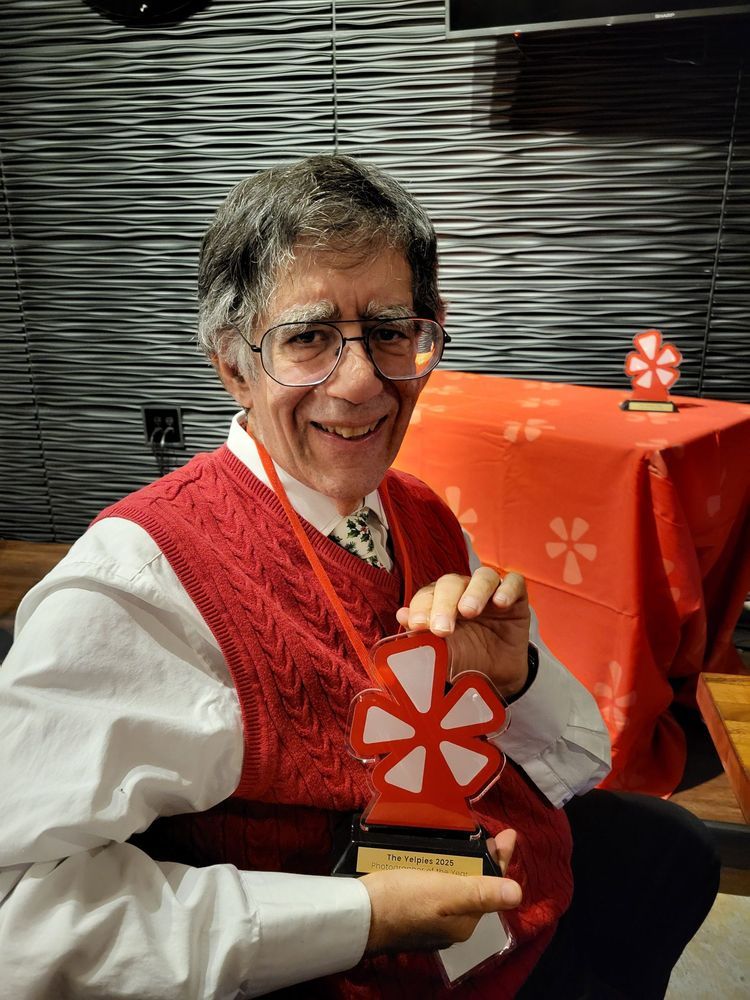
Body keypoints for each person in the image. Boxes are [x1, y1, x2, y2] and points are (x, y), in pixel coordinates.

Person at [0, 156, 718, 999]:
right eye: (307, 338)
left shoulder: (417, 510)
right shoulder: (139, 586)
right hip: (365, 975)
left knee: (671, 851)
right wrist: (361, 916)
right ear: (234, 366)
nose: (361, 382)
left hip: (513, 894)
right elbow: (18, 914)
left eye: (389, 331)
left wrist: (515, 677)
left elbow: (579, 759)